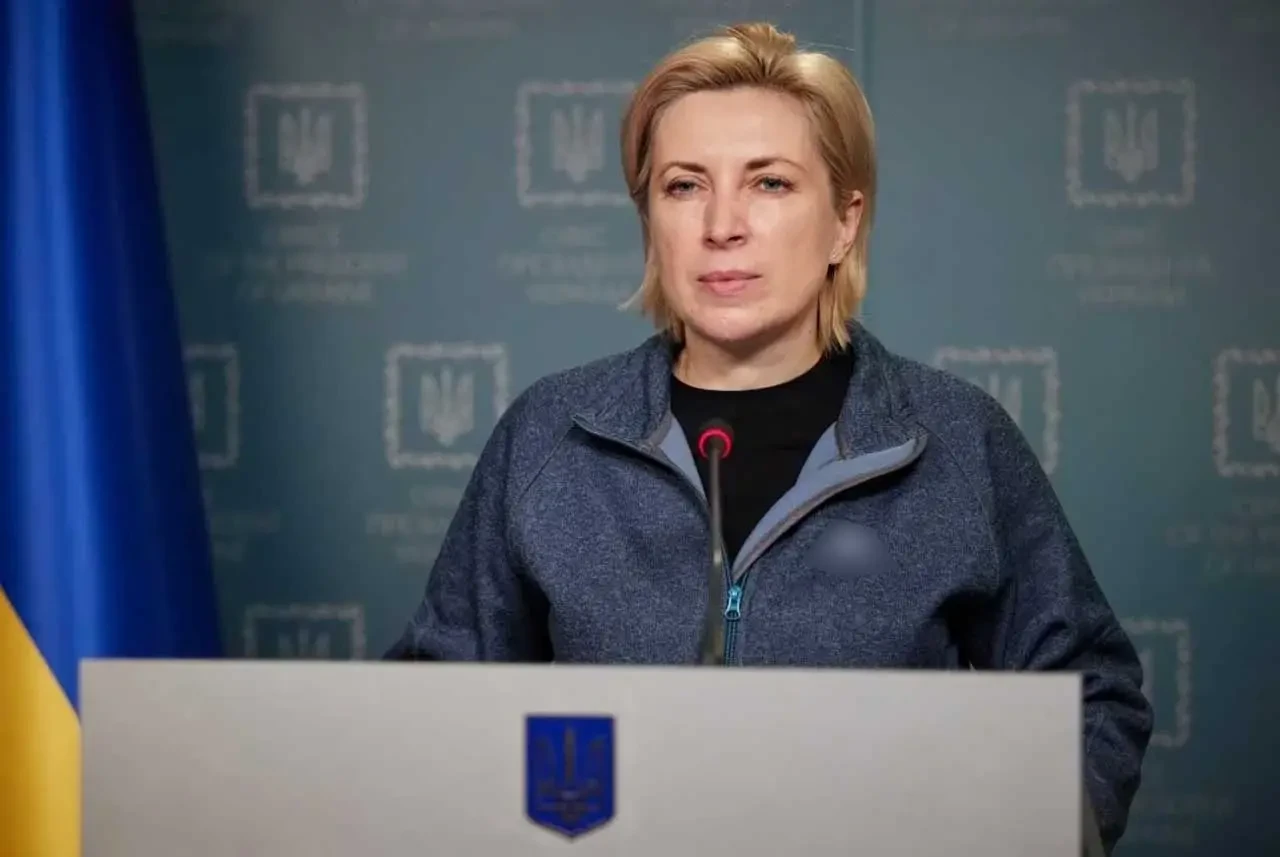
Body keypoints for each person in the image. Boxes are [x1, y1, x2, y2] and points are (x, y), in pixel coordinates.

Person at [386, 21, 1152, 851]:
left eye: (770, 183)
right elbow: (431, 713)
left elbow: (1092, 698)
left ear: (844, 222)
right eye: (684, 186)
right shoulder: (550, 435)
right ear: (651, 220)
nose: (722, 223)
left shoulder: (956, 439)